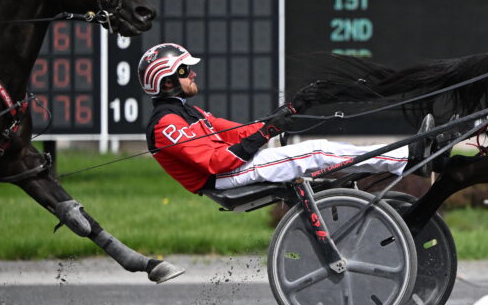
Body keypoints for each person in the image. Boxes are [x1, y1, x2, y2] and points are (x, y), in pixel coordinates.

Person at [139, 43, 441, 193]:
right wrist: (269, 129)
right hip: (223, 177)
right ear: (166, 82)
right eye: (184, 71)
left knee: (316, 149)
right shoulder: (167, 124)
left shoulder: (187, 111)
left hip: (232, 168)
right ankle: (410, 158)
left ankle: (406, 157)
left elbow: (240, 132)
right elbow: (216, 163)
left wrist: (287, 112)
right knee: (317, 151)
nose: (192, 73)